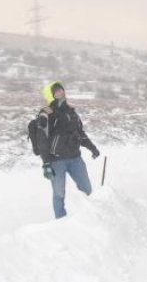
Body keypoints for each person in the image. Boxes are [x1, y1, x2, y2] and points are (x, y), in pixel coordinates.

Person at [35, 81, 101, 218]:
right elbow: (42, 140)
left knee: (87, 190)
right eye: (57, 91)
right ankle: (61, 221)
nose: (61, 92)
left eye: (62, 90)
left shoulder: (72, 112)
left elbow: (80, 134)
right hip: (56, 161)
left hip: (75, 158)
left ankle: (90, 217)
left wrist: (92, 148)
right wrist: (46, 163)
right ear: (51, 94)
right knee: (59, 193)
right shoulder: (46, 113)